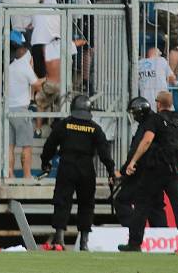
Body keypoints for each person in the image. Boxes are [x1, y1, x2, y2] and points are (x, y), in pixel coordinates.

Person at [119, 91, 178, 253]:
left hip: (154, 170)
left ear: (158, 104)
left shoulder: (155, 120)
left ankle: (134, 243)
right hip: (173, 172)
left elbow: (146, 141)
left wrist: (133, 162)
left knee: (142, 205)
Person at [40, 95, 116, 251]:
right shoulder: (94, 128)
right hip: (86, 169)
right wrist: (110, 171)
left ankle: (59, 238)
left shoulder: (64, 124)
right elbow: (104, 152)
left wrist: (45, 162)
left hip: (66, 167)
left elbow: (50, 145)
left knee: (62, 201)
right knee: (87, 204)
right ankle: (84, 242)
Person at [114, 97, 169, 229]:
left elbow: (138, 149)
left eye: (134, 112)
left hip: (142, 171)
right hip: (157, 171)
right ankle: (162, 237)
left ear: (140, 112)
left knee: (122, 200)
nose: (133, 115)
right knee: (155, 206)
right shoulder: (157, 121)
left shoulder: (147, 125)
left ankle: (133, 231)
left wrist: (123, 171)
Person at [6, 44, 43, 178]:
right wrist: (45, 78)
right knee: (26, 145)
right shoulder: (25, 67)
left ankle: (9, 174)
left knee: (10, 146)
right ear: (28, 56)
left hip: (8, 111)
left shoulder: (9, 68)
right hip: (21, 111)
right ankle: (27, 176)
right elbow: (38, 86)